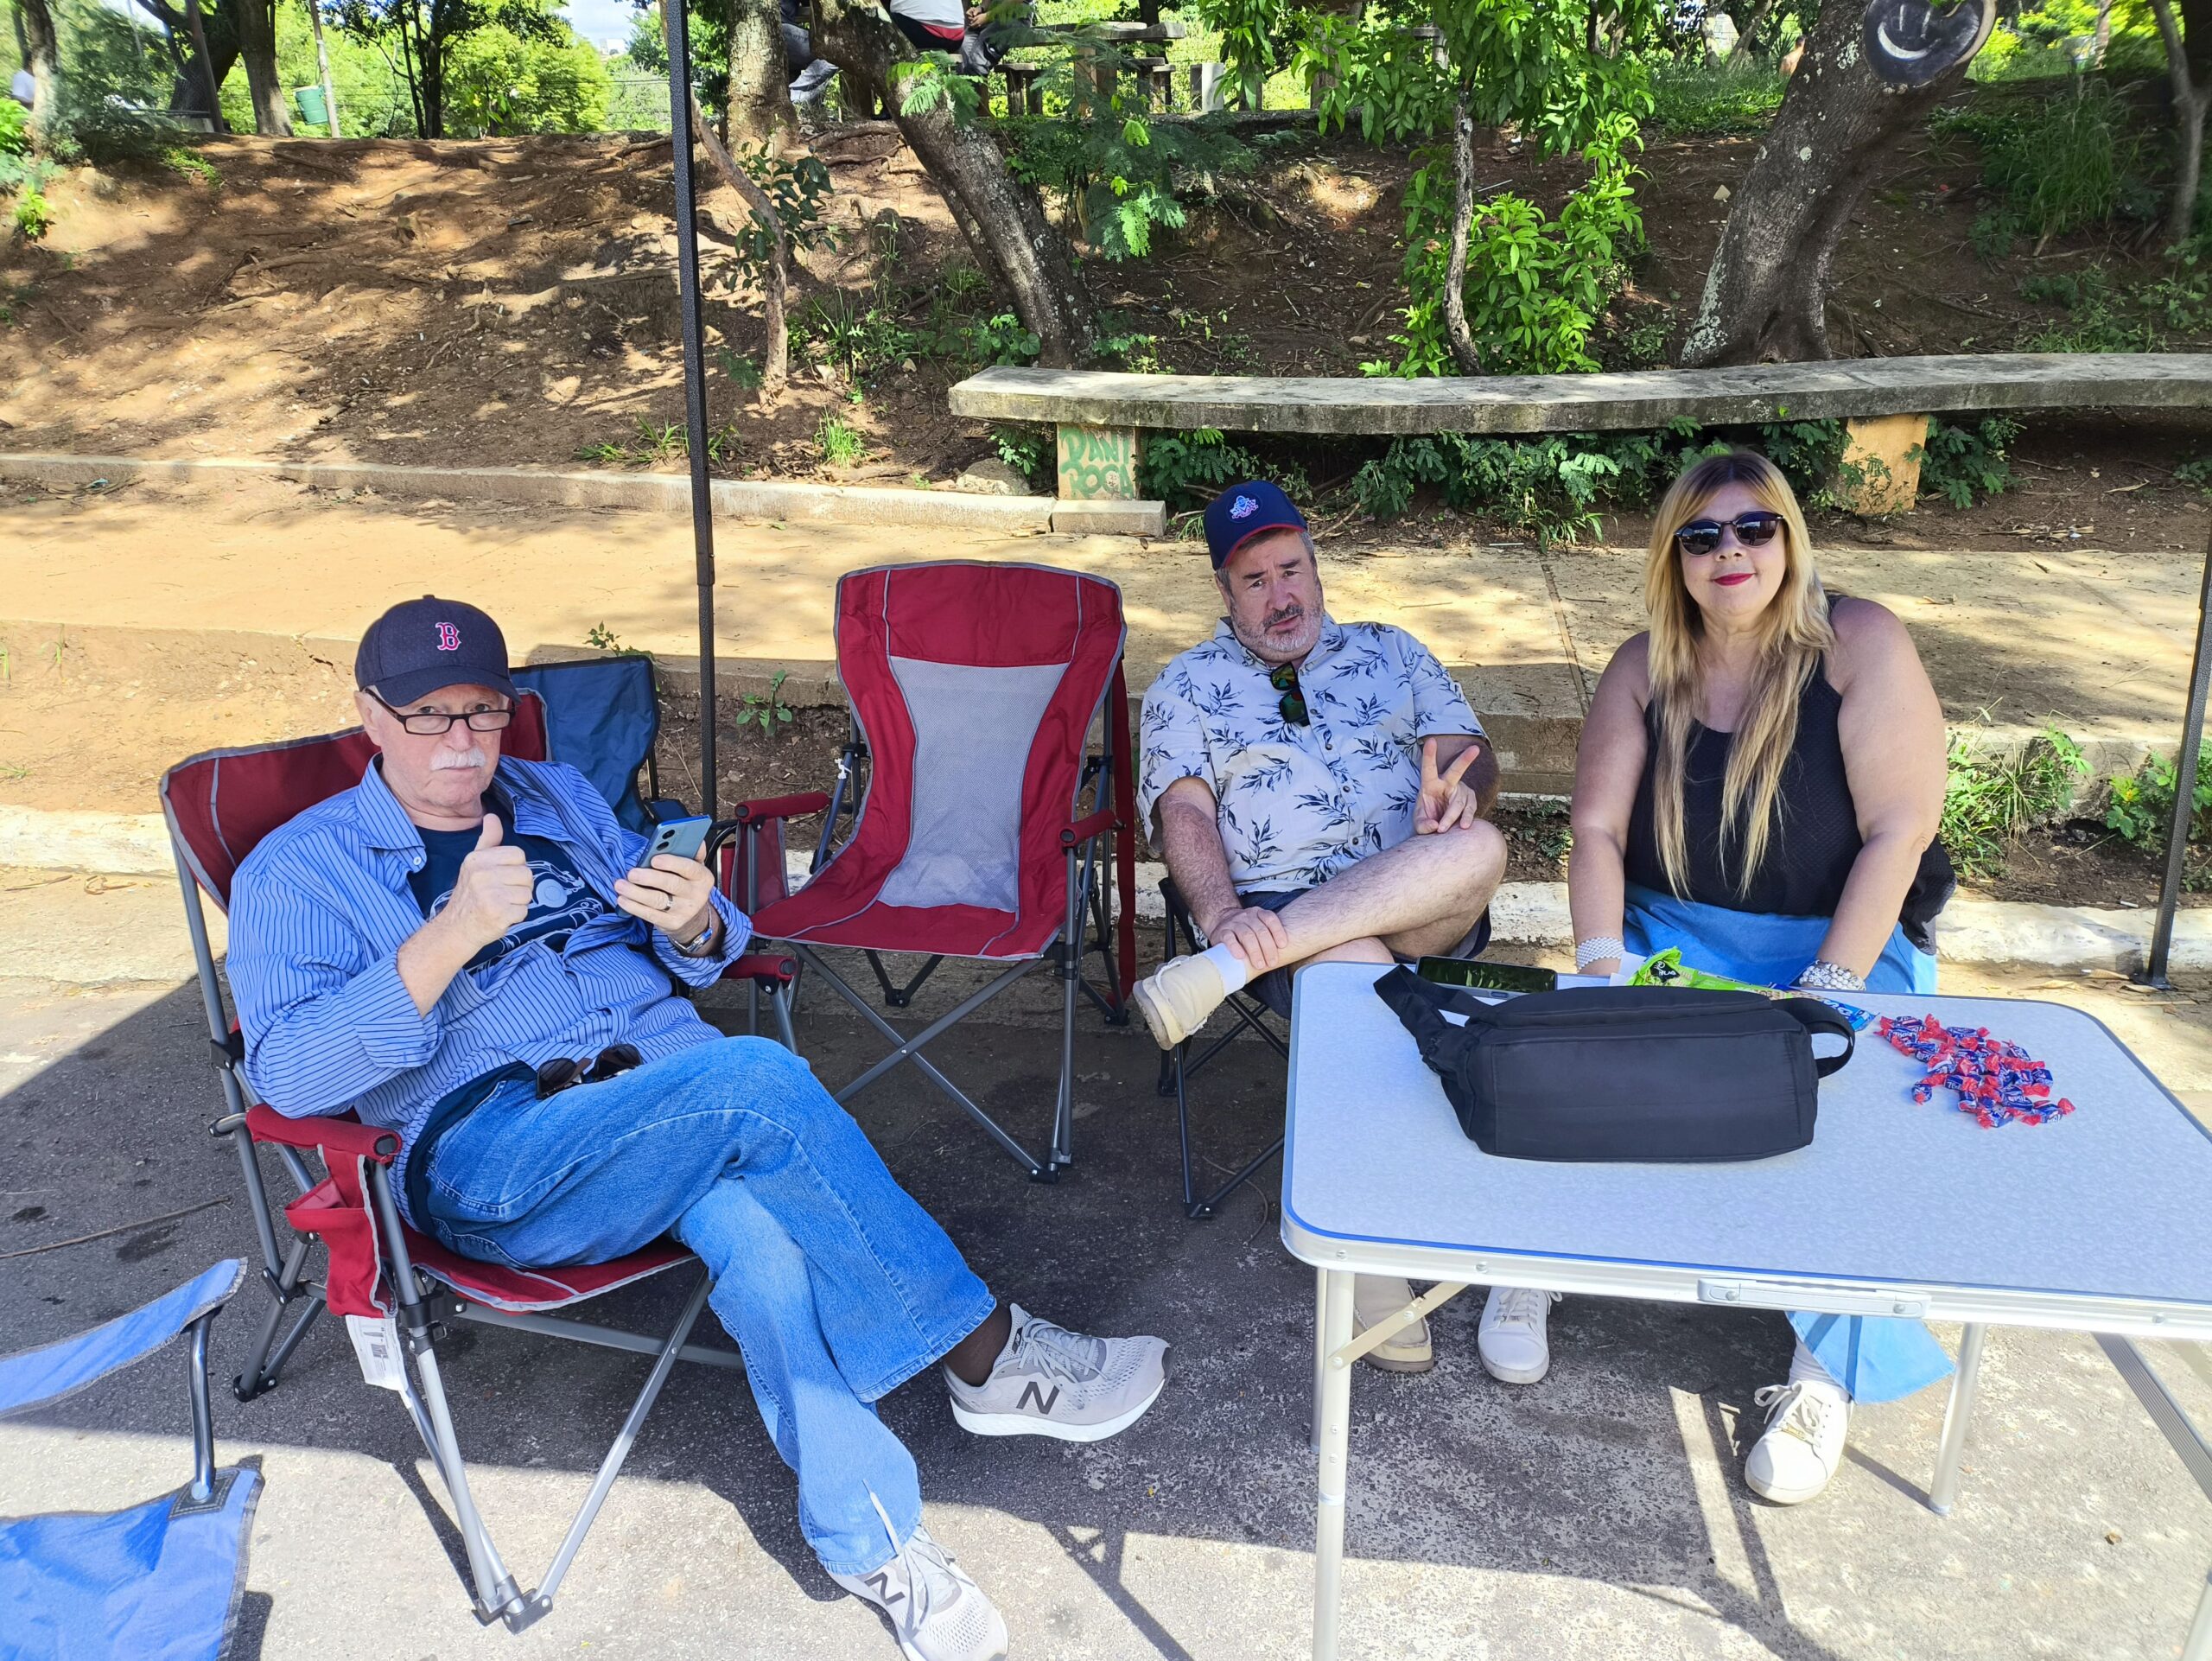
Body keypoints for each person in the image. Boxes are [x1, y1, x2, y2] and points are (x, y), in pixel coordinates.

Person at [226, 596, 1169, 1661]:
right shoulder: (297, 871)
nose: (462, 741)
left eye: (482, 710)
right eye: (427, 714)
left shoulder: (555, 793)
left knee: (764, 1247)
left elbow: (711, 941)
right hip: (498, 1149)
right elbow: (288, 1075)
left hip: (663, 1102)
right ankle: (984, 1350)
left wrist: (694, 919)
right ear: (371, 715)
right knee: (756, 1079)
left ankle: (872, 1539)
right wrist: (446, 937)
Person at [1567, 449, 1956, 1505]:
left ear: (1789, 534)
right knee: (1582, 1065)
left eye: (1752, 526)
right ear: (1673, 558)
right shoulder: (1642, 665)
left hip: (1842, 938)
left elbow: (1900, 830)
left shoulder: (1858, 642)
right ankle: (1536, 1264)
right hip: (1675, 937)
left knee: (1848, 1107)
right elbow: (1595, 832)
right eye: (1700, 535)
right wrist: (1600, 969)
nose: (1728, 550)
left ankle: (1825, 1370)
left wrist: (1826, 984)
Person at [1133, 480, 1510, 1378]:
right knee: (1351, 960)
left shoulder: (1393, 650)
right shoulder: (1185, 684)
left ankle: (1214, 976)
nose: (1281, 595)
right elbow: (1183, 811)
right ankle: (1371, 1243)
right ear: (1224, 591)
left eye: (1291, 569)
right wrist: (1223, 915)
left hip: (1420, 886)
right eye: (1255, 580)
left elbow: (1470, 751)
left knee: (1483, 845)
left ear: (1315, 563)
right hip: (1278, 919)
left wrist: (1460, 789)